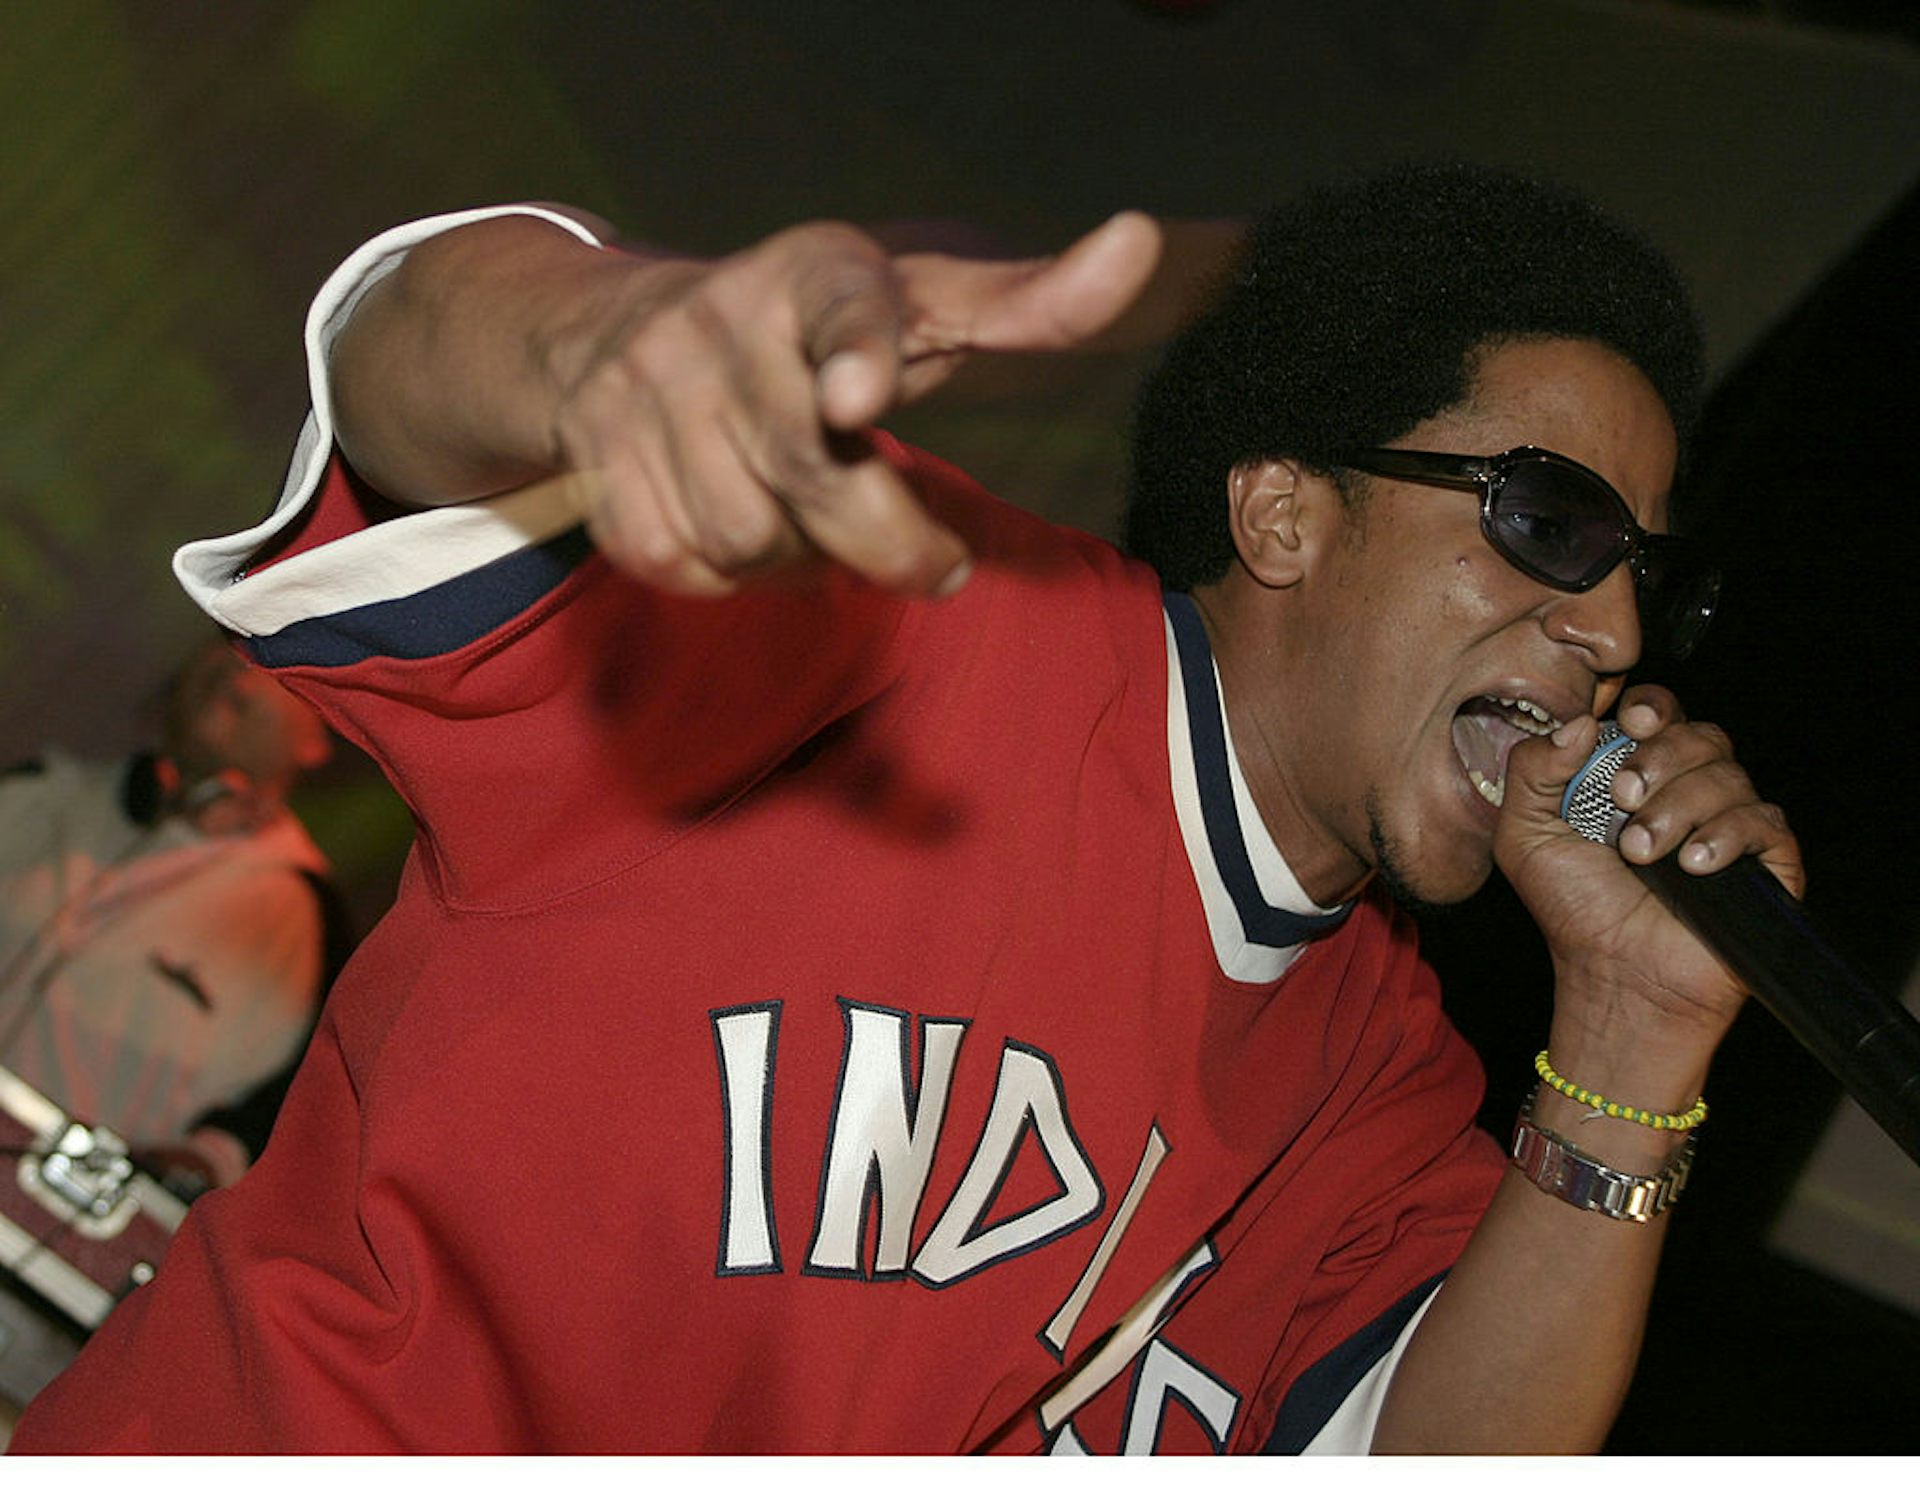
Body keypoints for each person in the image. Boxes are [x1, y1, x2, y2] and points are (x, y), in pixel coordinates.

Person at [8, 162, 1800, 1454]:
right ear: (1284, 514)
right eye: (1552, 523)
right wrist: (597, 334)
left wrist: (1640, 1034)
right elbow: (404, 376)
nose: (1614, 629)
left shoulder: (1387, 1103)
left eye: (1651, 576)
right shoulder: (911, 621)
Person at [1, 640, 337, 1191]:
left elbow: (277, 1128)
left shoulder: (305, 921)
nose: (239, 665)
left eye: (276, 658)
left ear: (320, 737)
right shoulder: (37, 794)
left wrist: (201, 1164)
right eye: (229, 639)